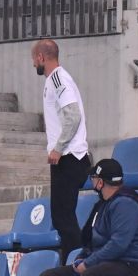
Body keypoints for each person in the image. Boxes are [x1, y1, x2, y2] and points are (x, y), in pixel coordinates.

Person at [35, 158, 138, 276]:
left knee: (92, 275)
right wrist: (82, 257)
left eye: (94, 178)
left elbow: (118, 245)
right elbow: (92, 241)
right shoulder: (103, 204)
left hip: (131, 265)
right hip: (106, 262)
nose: (91, 181)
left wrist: (89, 263)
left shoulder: (125, 204)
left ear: (101, 182)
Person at [33, 38, 91, 261]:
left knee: (63, 218)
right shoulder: (53, 80)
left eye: (33, 59)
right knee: (61, 218)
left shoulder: (57, 78)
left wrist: (58, 148)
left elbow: (73, 115)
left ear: (41, 57)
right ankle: (73, 262)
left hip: (69, 158)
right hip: (65, 158)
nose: (33, 65)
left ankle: (76, 263)